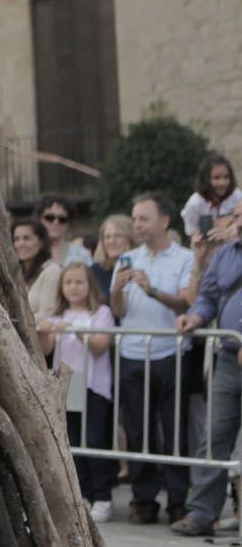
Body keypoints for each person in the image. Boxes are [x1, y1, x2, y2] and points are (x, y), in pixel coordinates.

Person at [110, 194, 197, 525]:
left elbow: (187, 303)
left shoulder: (185, 258)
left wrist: (153, 290)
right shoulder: (127, 258)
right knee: (137, 430)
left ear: (164, 220)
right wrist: (117, 289)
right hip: (133, 354)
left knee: (174, 430)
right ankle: (143, 498)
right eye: (135, 219)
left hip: (170, 355)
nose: (137, 225)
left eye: (144, 218)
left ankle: (178, 500)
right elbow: (118, 310)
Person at [171, 223, 242, 537]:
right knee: (214, 437)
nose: (236, 219)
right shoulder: (226, 253)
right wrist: (195, 317)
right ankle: (201, 513)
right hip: (229, 357)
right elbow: (208, 297)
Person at [36, 263, 117, 523]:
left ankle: (102, 496)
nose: (74, 287)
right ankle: (81, 492)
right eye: (68, 282)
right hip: (67, 387)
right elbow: (45, 349)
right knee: (72, 441)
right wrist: (46, 329)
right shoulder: (58, 315)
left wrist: (75, 331)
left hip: (93, 386)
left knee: (94, 439)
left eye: (79, 282)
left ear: (89, 285)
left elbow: (100, 345)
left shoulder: (101, 313)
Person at [180, 153, 240, 245]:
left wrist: (228, 231)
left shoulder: (237, 196)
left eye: (226, 177)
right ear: (206, 179)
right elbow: (191, 233)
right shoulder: (195, 203)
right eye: (216, 178)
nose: (222, 183)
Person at [11, 216, 60, 324]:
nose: (21, 244)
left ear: (41, 242)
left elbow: (46, 315)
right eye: (16, 239)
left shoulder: (51, 271)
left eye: (27, 238)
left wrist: (11, 322)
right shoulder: (14, 272)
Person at [35, 194, 92, 267]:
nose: (56, 222)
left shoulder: (81, 254)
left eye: (62, 219)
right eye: (49, 218)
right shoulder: (30, 251)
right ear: (40, 219)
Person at [89, 213, 134, 300]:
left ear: (130, 239)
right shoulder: (94, 271)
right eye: (107, 237)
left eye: (118, 236)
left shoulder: (141, 266)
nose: (111, 241)